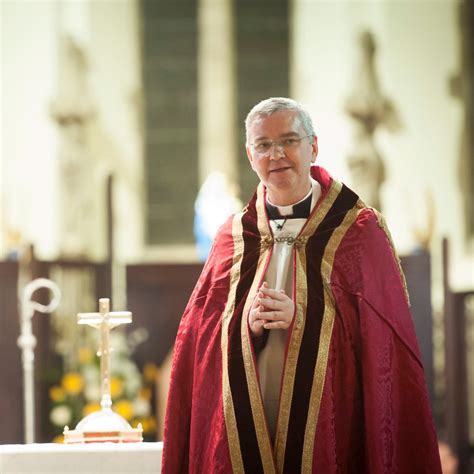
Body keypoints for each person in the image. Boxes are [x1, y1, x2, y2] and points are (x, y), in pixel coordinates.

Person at [162, 97, 442, 473]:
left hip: (332, 427)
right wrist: (243, 326)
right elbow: (199, 347)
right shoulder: (232, 237)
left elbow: (384, 349)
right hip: (250, 426)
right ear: (250, 155)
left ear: (313, 146)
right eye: (263, 145)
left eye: (289, 141)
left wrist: (305, 319)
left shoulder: (358, 232)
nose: (276, 154)